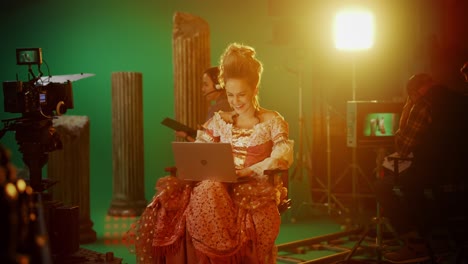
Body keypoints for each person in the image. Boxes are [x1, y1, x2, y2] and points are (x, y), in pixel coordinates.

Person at [126, 42, 294, 264]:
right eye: (231, 95)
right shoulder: (219, 120)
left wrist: (249, 171)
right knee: (182, 196)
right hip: (219, 182)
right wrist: (196, 161)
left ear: (255, 90)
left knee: (209, 188)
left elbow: (283, 153)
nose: (236, 102)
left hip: (253, 183)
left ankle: (221, 257)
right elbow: (200, 147)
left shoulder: (272, 120)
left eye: (241, 94)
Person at [375, 72, 468, 262]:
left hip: (433, 173)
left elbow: (404, 147)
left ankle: (415, 244)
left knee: (383, 185)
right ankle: (439, 239)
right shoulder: (461, 100)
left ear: (414, 93)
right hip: (459, 174)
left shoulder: (422, 105)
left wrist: (404, 116)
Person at [175, 66, 232, 142]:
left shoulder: (217, 109)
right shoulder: (230, 104)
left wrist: (186, 136)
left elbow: (205, 146)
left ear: (218, 86)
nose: (203, 89)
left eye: (206, 85)